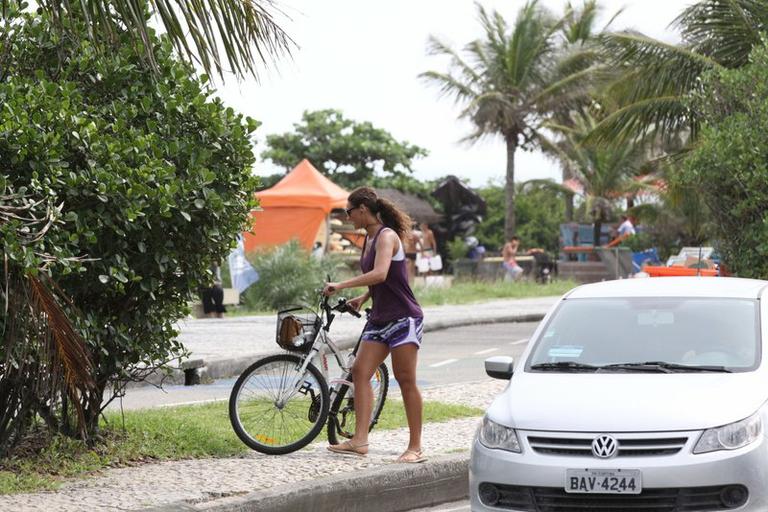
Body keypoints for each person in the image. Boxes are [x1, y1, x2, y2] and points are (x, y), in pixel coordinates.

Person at [323, 187, 426, 464]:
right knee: (360, 371)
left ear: (363, 210)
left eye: (349, 211)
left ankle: (415, 447)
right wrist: (364, 296)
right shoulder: (368, 240)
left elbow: (380, 274)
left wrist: (341, 285)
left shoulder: (386, 236)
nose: (347, 217)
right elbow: (386, 277)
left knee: (406, 379)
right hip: (379, 317)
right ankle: (359, 441)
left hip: (404, 318)